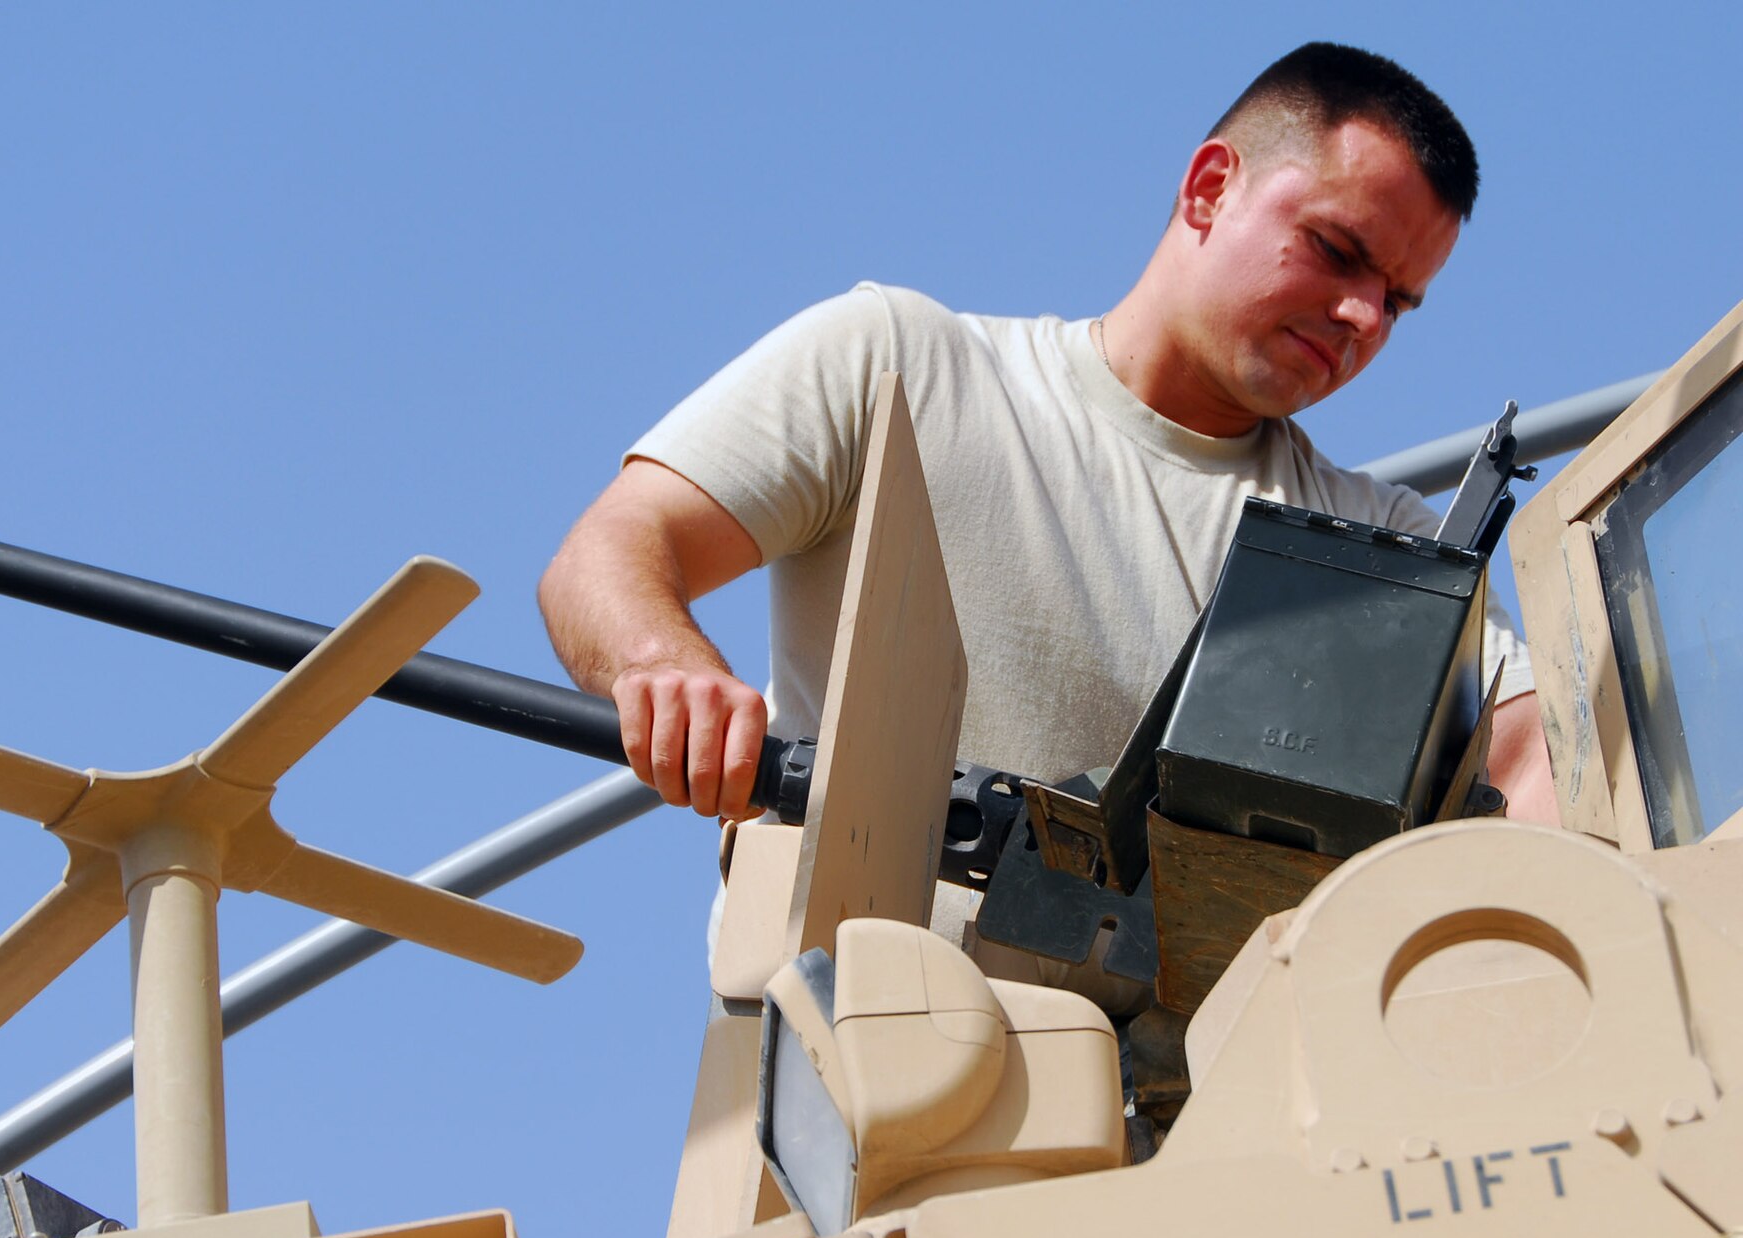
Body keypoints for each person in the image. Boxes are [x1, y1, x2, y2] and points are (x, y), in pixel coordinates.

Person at [539, 43, 1555, 959]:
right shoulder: (902, 366)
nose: (1360, 316)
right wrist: (667, 670)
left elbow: (1536, 771)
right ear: (1208, 188)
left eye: (1397, 301)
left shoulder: (1382, 551)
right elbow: (611, 551)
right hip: (865, 1087)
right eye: (1337, 251)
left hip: (1200, 1135)